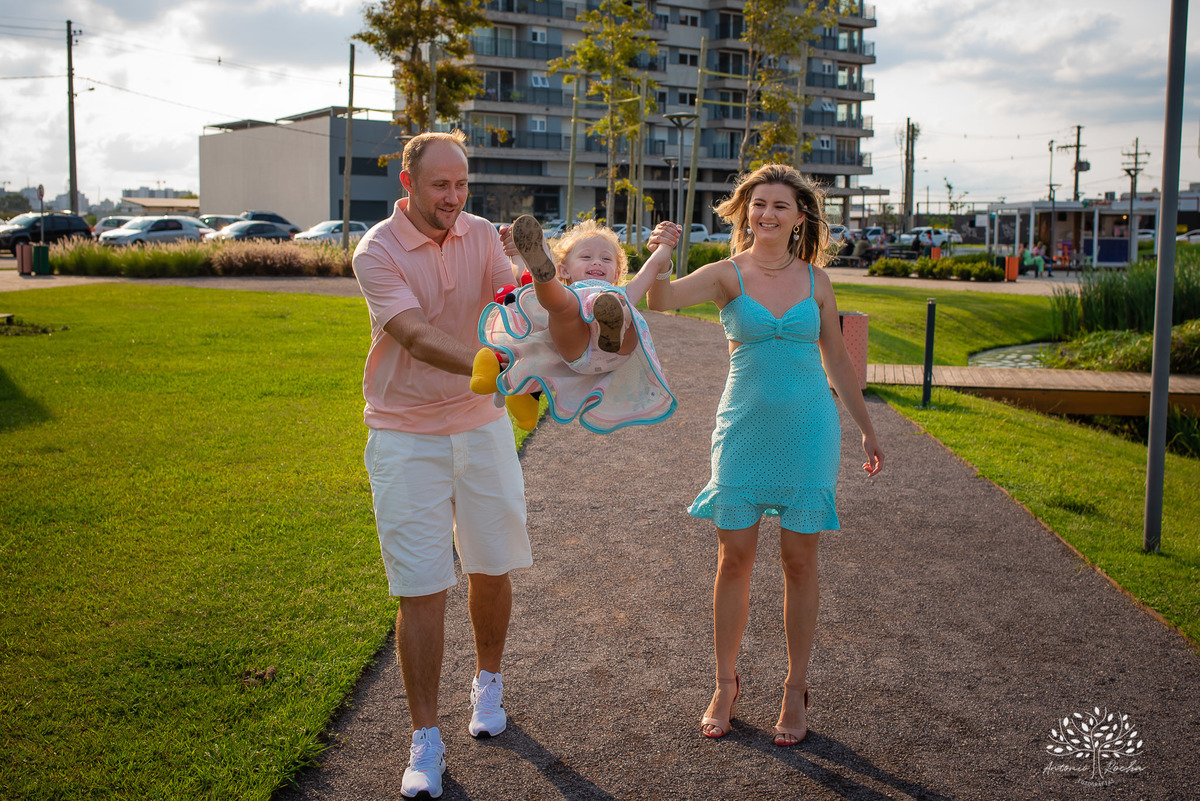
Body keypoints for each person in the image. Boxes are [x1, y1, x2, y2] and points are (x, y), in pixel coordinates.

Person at [645, 164, 884, 747]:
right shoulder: (727, 274)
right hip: (744, 428)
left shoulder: (816, 282)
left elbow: (838, 362)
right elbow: (664, 301)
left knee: (800, 563)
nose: (767, 214)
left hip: (809, 429)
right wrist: (659, 253)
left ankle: (794, 687)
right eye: (757, 204)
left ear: (801, 216)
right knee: (735, 560)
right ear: (743, 211)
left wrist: (867, 430)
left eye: (780, 205)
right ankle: (725, 684)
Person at [353, 130, 532, 800]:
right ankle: (425, 737)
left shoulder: (483, 232)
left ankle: (488, 683)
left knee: (491, 563)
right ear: (409, 183)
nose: (453, 196)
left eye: (461, 184)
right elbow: (415, 336)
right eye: (440, 185)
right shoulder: (377, 250)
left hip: (481, 428)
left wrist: (536, 294)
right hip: (405, 434)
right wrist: (492, 365)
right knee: (421, 584)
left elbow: (511, 305)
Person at [470, 216, 680, 434]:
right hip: (578, 349)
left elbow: (654, 265)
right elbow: (519, 273)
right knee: (563, 307)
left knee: (623, 308)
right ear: (564, 271)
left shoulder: (623, 292)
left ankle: (610, 322)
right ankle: (543, 274)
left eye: (606, 259)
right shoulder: (571, 294)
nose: (597, 262)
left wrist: (666, 244)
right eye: (586, 256)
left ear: (617, 274)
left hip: (617, 349)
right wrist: (517, 252)